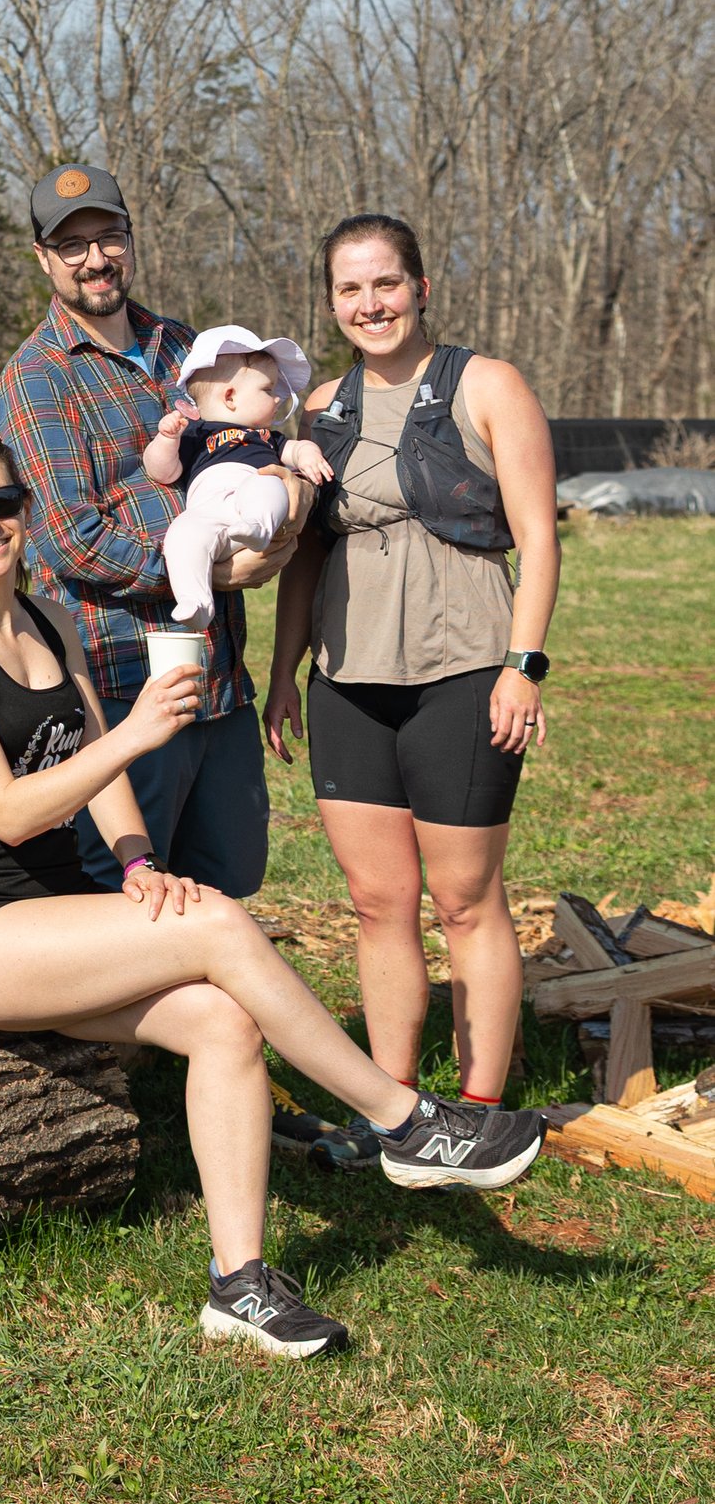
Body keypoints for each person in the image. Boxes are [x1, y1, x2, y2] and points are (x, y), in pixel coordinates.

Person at [0, 435, 546, 1360]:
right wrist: (137, 733)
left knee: (221, 1023)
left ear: (23, 508)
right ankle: (401, 1119)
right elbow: (4, 810)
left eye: (1, 502)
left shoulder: (44, 617)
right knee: (221, 921)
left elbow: (93, 765)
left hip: (61, 913)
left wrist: (133, 862)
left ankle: (239, 1283)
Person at [265, 214, 561, 1152]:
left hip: (466, 672)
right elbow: (306, 559)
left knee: (466, 898)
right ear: (330, 304)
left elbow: (540, 535)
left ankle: (476, 1111)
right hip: (349, 679)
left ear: (421, 287)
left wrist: (523, 665)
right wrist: (283, 674)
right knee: (376, 901)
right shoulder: (319, 412)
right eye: (350, 290)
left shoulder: (486, 385)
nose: (370, 304)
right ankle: (391, 1106)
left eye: (385, 284)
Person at [0, 162, 291, 898]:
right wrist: (207, 570)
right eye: (72, 246)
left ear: (130, 237)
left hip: (218, 677)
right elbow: (69, 537)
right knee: (132, 895)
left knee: (228, 878)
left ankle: (215, 1014)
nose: (95, 259)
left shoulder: (184, 347)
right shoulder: (38, 377)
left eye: (108, 236)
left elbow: (249, 443)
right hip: (120, 686)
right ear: (43, 258)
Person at [141, 327, 332, 630]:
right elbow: (162, 472)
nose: (277, 400)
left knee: (269, 484)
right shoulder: (194, 432)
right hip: (208, 512)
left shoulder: (266, 437)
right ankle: (195, 601)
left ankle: (257, 526)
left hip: (251, 495)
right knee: (182, 533)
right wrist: (166, 440)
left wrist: (308, 453)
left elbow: (294, 450)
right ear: (230, 397)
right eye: (268, 390)